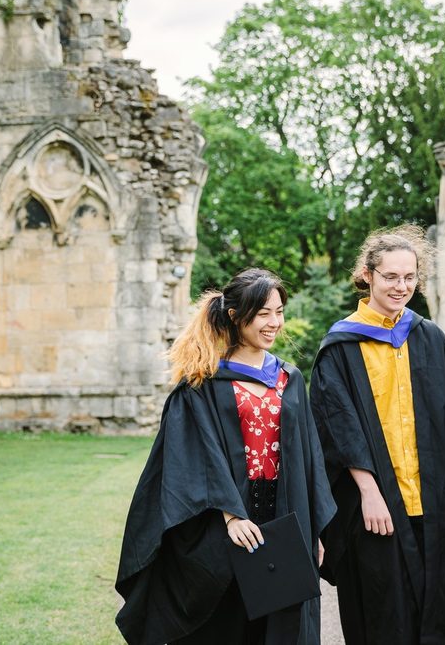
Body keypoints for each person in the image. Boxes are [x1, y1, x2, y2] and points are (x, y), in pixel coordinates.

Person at [115, 268, 336, 645]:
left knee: (282, 626)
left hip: (285, 515)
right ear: (235, 316)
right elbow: (194, 456)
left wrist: (313, 529)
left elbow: (308, 458)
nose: (274, 322)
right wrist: (231, 515)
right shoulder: (203, 382)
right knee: (226, 624)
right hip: (225, 521)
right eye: (263, 313)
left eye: (279, 312)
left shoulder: (289, 379)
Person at [309, 225, 445, 644]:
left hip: (432, 499)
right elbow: (338, 430)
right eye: (391, 277)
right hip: (376, 504)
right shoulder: (341, 346)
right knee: (383, 613)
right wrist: (368, 493)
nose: (401, 287)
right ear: (368, 275)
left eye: (409, 277)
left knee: (434, 609)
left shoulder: (430, 337)